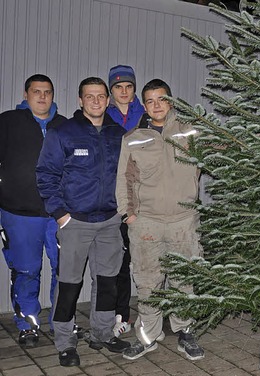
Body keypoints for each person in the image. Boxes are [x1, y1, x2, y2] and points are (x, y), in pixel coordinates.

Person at [36, 77, 130, 367]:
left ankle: (101, 333)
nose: (96, 101)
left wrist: (124, 211)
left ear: (107, 99)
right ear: (80, 100)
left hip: (110, 221)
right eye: (90, 96)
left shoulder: (119, 133)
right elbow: (45, 175)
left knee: (107, 282)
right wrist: (61, 214)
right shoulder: (63, 132)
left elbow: (130, 174)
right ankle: (65, 342)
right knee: (69, 284)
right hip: (74, 221)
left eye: (101, 96)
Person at [116, 79, 204, 361]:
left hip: (183, 221)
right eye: (150, 101)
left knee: (184, 280)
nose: (156, 105)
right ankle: (148, 337)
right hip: (147, 222)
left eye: (161, 99)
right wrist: (128, 215)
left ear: (171, 101)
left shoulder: (191, 131)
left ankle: (185, 333)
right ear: (144, 105)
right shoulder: (133, 138)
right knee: (148, 282)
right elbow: (124, 179)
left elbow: (222, 150)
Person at [0, 74, 66, 348]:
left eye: (47, 92)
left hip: (59, 214)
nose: (42, 96)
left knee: (65, 270)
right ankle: (28, 324)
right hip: (19, 213)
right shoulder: (7, 122)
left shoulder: (66, 126)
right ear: (25, 95)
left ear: (53, 95)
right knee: (26, 271)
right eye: (36, 91)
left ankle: (61, 324)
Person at [105, 65, 146, 338]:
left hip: (144, 200)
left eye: (128, 87)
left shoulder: (146, 117)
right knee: (118, 261)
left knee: (146, 261)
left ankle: (151, 315)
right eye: (118, 87)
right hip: (113, 200)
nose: (123, 91)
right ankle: (121, 314)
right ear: (111, 91)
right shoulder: (101, 117)